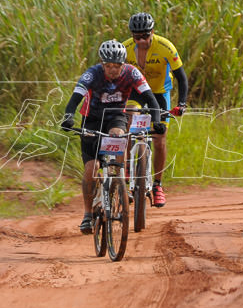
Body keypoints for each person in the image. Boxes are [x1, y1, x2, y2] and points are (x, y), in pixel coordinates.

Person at [60, 40, 165, 234]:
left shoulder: (132, 73)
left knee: (118, 135)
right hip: (92, 119)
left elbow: (151, 98)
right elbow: (74, 99)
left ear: (123, 64)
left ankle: (117, 180)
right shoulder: (92, 74)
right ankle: (87, 214)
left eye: (116, 66)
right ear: (102, 64)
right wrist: (68, 118)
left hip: (116, 117)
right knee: (92, 168)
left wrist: (157, 120)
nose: (112, 70)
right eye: (108, 66)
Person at [122, 12, 188, 208]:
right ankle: (126, 165)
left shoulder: (165, 47)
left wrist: (182, 103)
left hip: (159, 94)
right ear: (132, 36)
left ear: (153, 32)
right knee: (126, 120)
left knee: (160, 138)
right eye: (137, 37)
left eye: (146, 36)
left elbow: (181, 77)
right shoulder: (125, 48)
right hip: (135, 93)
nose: (142, 40)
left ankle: (158, 185)